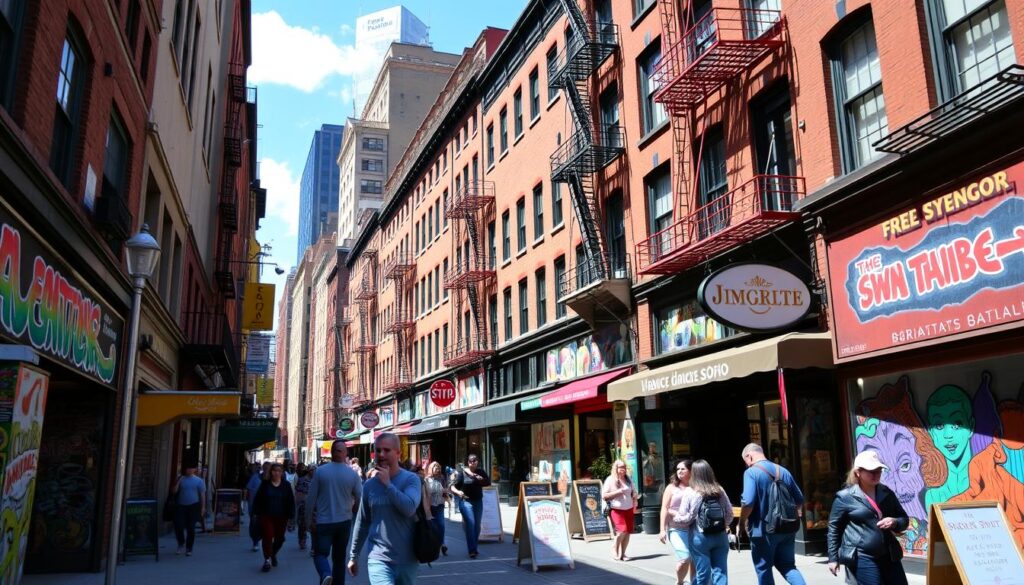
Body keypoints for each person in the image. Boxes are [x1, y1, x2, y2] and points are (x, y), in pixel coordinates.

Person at [347, 432, 422, 585]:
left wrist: (388, 485)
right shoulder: (369, 486)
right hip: (378, 557)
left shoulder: (411, 480)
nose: (381, 454)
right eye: (378, 450)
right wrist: (353, 556)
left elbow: (409, 508)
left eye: (387, 450)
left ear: (398, 453)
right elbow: (362, 522)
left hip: (407, 558)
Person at [827, 450, 910, 585]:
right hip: (862, 556)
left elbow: (904, 519)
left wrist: (894, 522)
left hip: (890, 554)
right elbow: (833, 529)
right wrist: (833, 558)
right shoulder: (844, 497)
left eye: (878, 470)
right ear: (858, 472)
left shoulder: (886, 493)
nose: (876, 474)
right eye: (871, 471)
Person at [739, 443, 807, 585]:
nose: (746, 465)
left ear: (749, 456)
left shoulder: (751, 473)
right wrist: (793, 516)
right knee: (788, 566)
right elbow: (799, 499)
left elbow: (748, 502)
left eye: (745, 462)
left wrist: (741, 522)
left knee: (763, 569)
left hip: (762, 531)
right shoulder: (783, 471)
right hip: (787, 528)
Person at [308, 440, 363, 585]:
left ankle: (326, 574)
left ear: (332, 452)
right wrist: (354, 510)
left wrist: (308, 520)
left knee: (320, 554)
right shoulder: (352, 475)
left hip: (324, 522)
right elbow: (360, 497)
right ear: (345, 454)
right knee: (339, 559)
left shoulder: (321, 471)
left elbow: (310, 499)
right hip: (343, 521)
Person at [674, 459, 734, 585]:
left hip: (699, 537)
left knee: (703, 574)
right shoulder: (719, 489)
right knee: (721, 572)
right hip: (720, 536)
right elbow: (729, 513)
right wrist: (723, 525)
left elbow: (685, 518)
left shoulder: (690, 491)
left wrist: (675, 517)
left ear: (694, 473)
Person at [253, 463, 297, 572]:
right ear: (271, 472)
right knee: (267, 536)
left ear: (282, 473)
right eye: (274, 470)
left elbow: (291, 501)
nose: (276, 473)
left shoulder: (286, 485)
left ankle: (273, 553)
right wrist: (255, 512)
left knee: (280, 539)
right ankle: (267, 560)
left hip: (281, 517)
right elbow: (258, 499)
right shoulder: (265, 484)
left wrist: (291, 516)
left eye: (279, 471)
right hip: (266, 515)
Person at [660, 459, 696, 585]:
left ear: (691, 471)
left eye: (683, 469)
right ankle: (680, 581)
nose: (679, 471)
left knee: (694, 559)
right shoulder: (671, 487)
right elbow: (664, 508)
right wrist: (662, 530)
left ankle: (693, 582)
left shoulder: (696, 487)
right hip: (675, 529)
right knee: (685, 557)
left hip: (693, 528)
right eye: (678, 469)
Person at [449, 454, 491, 558]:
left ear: (478, 462)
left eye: (475, 460)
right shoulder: (461, 473)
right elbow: (452, 487)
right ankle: (472, 550)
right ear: (468, 462)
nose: (473, 462)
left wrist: (476, 477)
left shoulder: (480, 472)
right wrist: (458, 492)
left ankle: (474, 547)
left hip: (477, 501)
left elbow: (487, 482)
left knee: (477, 526)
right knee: (471, 524)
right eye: (470, 461)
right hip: (466, 502)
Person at [602, 459, 639, 561]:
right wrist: (619, 491)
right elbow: (604, 496)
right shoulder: (610, 480)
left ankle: (623, 554)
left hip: (629, 508)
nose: (623, 469)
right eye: (620, 467)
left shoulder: (628, 479)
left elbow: (634, 491)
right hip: (617, 509)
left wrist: (635, 498)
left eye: (624, 467)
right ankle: (614, 547)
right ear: (615, 468)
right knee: (622, 530)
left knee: (627, 532)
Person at [171, 463, 206, 556]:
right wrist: (178, 481)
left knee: (191, 527)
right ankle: (181, 542)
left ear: (195, 469)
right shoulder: (181, 479)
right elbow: (174, 491)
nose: (190, 469)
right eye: (188, 467)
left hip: (193, 506)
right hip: (181, 506)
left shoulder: (199, 481)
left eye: (192, 468)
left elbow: (202, 495)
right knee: (178, 525)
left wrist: (203, 508)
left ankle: (189, 548)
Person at [424, 461, 448, 556]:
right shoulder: (426, 480)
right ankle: (432, 545)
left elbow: (445, 490)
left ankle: (442, 544)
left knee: (441, 525)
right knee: (432, 527)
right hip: (430, 506)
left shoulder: (441, 478)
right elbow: (425, 495)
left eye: (438, 467)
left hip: (440, 505)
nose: (437, 469)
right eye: (435, 467)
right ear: (431, 469)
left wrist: (446, 492)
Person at [246, 461, 271, 551]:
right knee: (255, 525)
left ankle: (265, 542)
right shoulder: (255, 478)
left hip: (268, 508)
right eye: (265, 468)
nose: (266, 470)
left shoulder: (273, 480)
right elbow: (249, 491)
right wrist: (249, 504)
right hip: (255, 506)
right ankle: (255, 541)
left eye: (268, 468)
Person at [295, 464, 312, 550]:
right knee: (302, 524)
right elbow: (298, 492)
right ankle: (302, 539)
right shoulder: (302, 480)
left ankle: (314, 546)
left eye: (314, 470)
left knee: (314, 526)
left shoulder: (318, 480)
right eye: (311, 470)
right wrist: (298, 503)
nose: (313, 472)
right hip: (303, 505)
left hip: (314, 506)